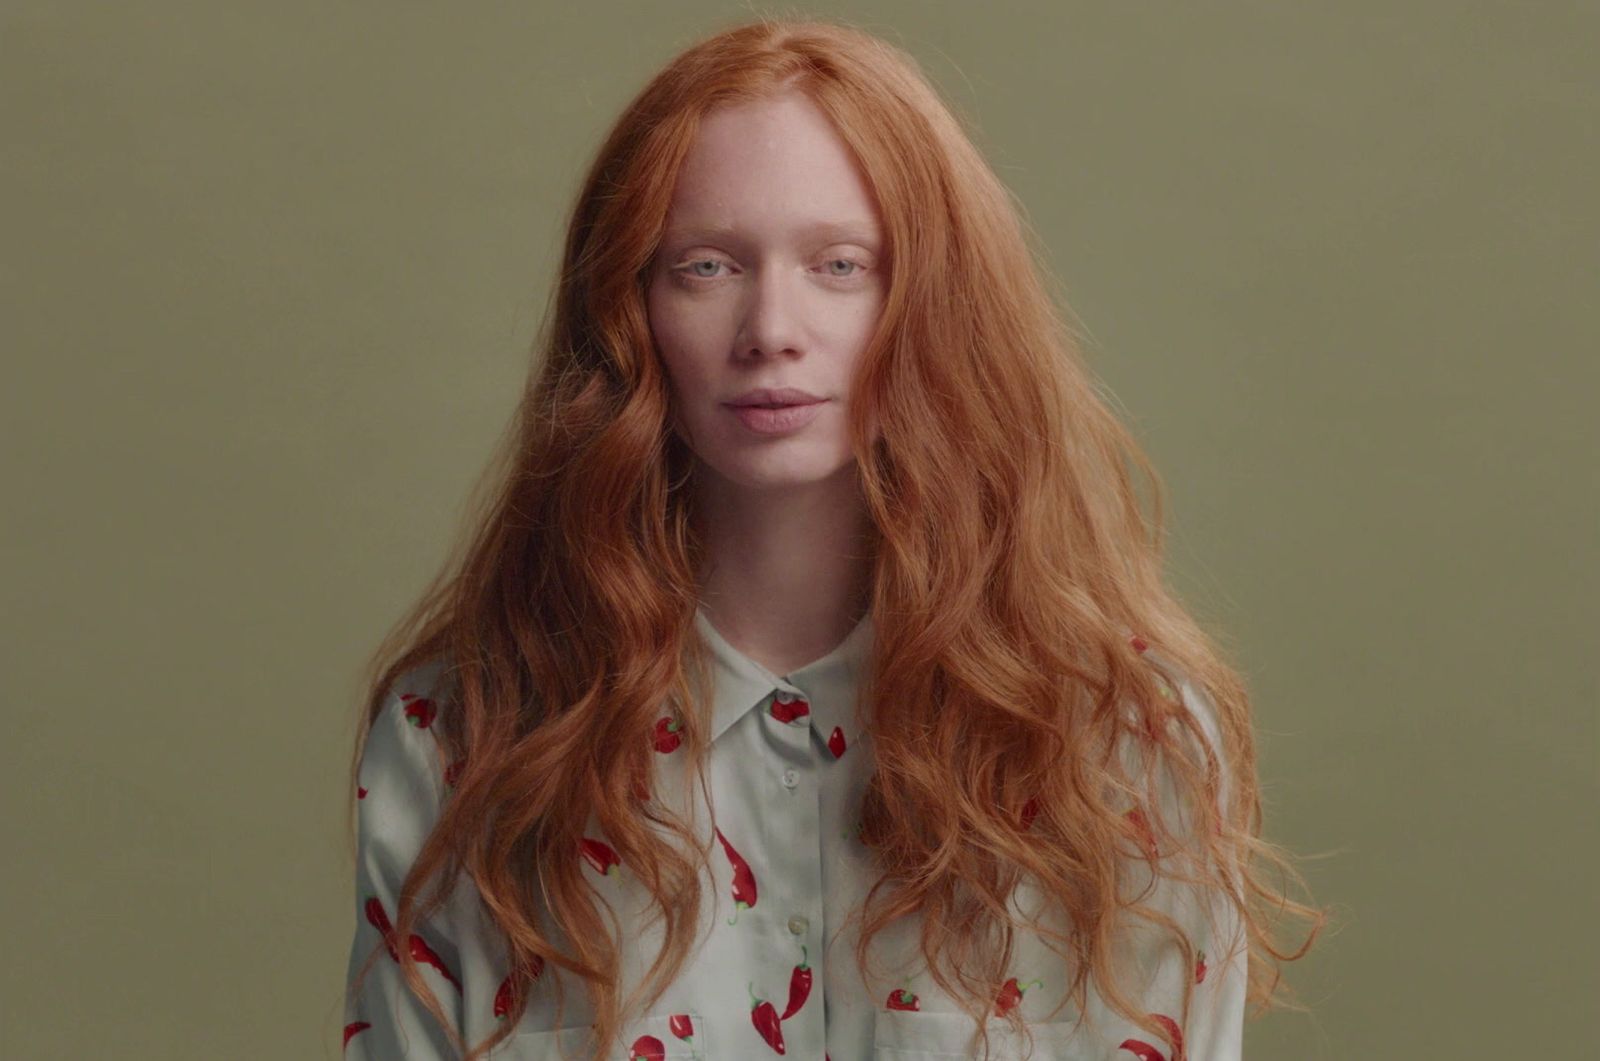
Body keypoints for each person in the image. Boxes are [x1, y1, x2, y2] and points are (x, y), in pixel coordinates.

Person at [339, 17, 1325, 1061]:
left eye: (840, 265)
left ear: (934, 302)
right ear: (625, 307)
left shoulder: (1126, 741)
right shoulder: (461, 735)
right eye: (705, 265)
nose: (771, 326)